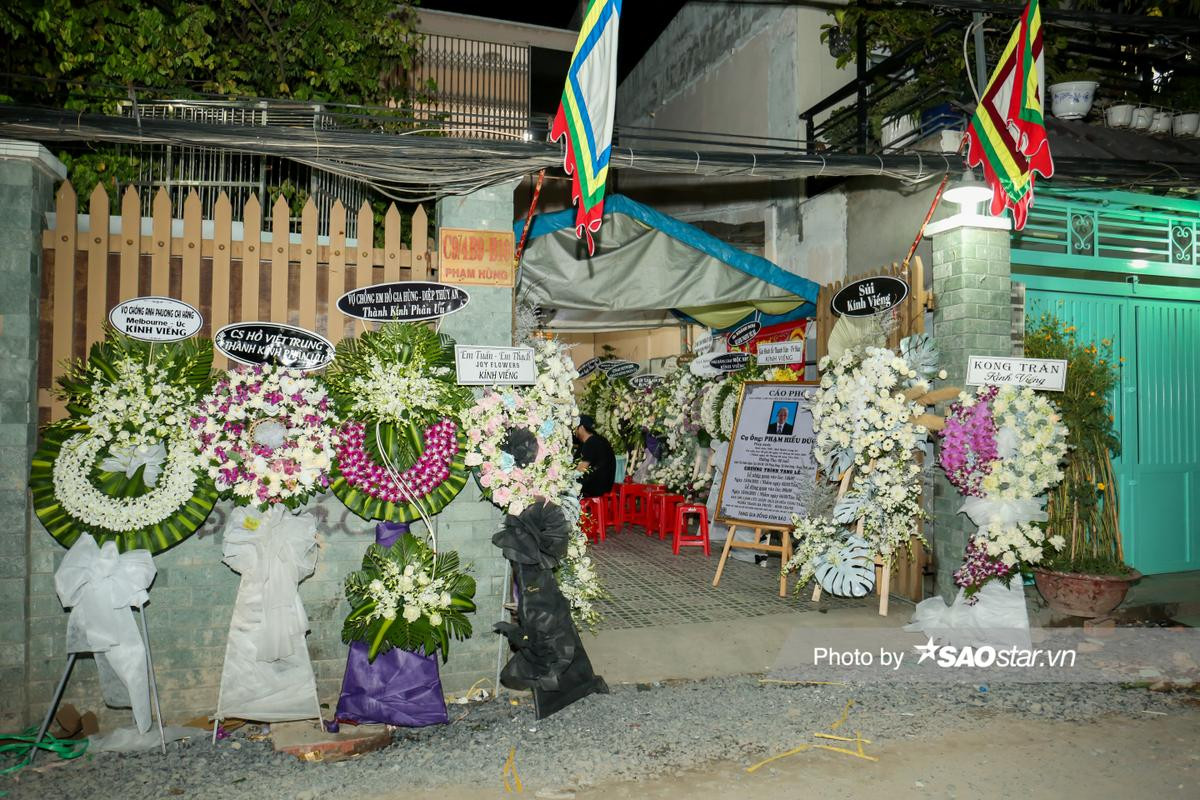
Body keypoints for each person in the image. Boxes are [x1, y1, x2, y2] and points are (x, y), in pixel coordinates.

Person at [574, 414, 616, 498]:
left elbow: (581, 469)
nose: (574, 431)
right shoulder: (599, 440)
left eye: (576, 428)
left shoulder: (591, 442)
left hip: (595, 488)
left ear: (581, 427)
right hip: (604, 486)